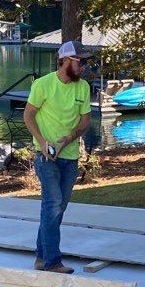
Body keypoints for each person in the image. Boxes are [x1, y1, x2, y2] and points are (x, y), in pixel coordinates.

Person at [23, 40, 93, 273]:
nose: (83, 66)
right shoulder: (43, 85)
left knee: (58, 207)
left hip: (70, 156)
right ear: (64, 61)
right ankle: (53, 262)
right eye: (79, 61)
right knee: (52, 205)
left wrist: (68, 139)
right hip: (46, 157)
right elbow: (28, 117)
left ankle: (41, 256)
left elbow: (85, 122)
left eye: (84, 62)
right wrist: (43, 143)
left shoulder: (82, 87)